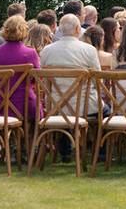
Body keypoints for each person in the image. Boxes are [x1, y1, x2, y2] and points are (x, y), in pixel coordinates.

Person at [39, 14, 101, 161]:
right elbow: (97, 80)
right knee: (105, 111)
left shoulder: (47, 51)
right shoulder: (89, 50)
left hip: (55, 106)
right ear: (78, 29)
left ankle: (65, 151)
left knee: (64, 106)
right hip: (84, 107)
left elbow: (44, 79)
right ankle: (100, 152)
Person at [0, 15, 41, 119]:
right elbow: (38, 79)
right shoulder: (30, 52)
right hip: (24, 103)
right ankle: (30, 134)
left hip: (0, 104)